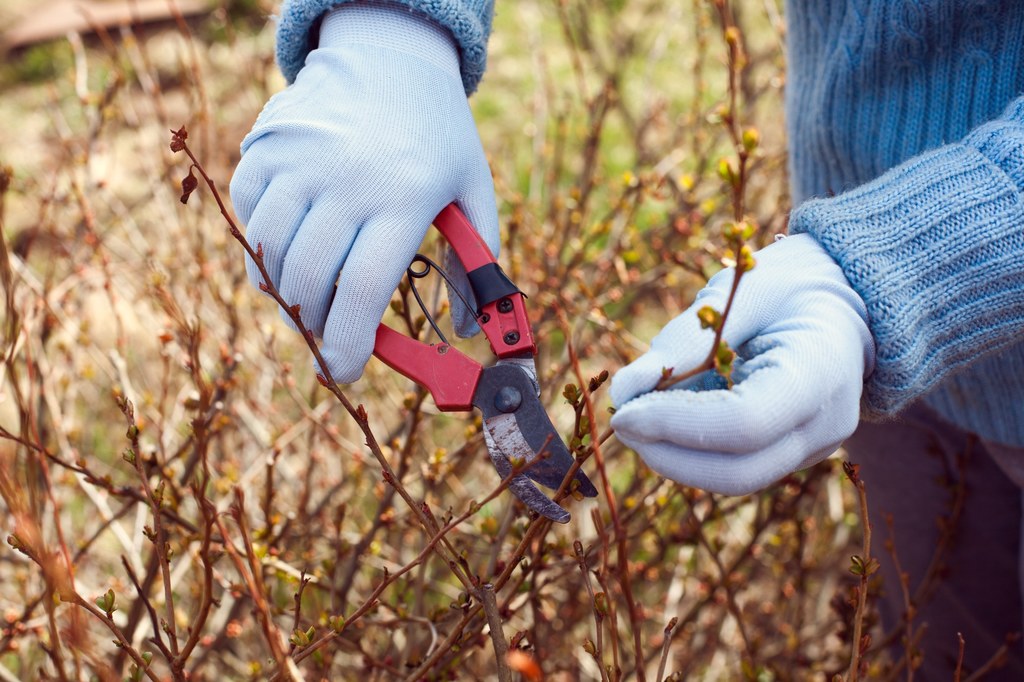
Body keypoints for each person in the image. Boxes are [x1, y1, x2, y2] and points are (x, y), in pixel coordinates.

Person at [229, 1, 1024, 678]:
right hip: (878, 347)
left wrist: (904, 266)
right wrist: (391, 29)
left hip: (872, 296)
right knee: (948, 649)